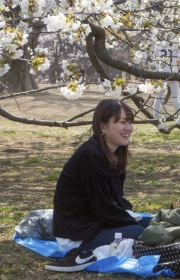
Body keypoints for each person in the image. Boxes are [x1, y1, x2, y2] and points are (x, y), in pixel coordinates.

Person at [46, 100, 150, 272]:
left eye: (130, 122)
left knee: (156, 223)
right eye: (122, 122)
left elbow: (115, 200)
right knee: (143, 233)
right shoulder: (91, 156)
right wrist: (134, 222)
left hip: (99, 223)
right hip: (79, 235)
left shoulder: (113, 154)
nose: (128, 128)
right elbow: (105, 208)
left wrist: (138, 218)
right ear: (103, 126)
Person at [153, 42, 180, 123]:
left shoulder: (158, 45)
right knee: (176, 98)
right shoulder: (176, 45)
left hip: (161, 74)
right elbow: (179, 61)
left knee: (158, 97)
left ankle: (154, 117)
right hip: (173, 74)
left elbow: (154, 60)